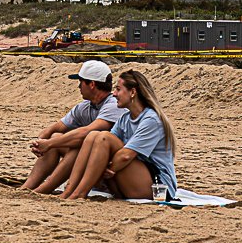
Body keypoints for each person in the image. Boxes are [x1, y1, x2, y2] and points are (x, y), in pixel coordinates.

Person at [62, 70, 178, 201]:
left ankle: (79, 194)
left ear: (133, 92)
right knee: (93, 136)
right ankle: (70, 190)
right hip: (132, 178)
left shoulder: (151, 120)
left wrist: (105, 167)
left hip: (158, 188)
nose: (114, 94)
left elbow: (126, 155)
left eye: (118, 89)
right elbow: (102, 147)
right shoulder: (125, 118)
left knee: (103, 137)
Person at [21, 60, 125, 194]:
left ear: (92, 84)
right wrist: (39, 143)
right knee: (56, 137)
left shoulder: (113, 105)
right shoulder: (85, 106)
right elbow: (55, 128)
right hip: (94, 159)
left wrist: (49, 144)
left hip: (113, 165)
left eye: (81, 82)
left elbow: (87, 132)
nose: (78, 87)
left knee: (77, 146)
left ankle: (44, 189)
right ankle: (27, 187)